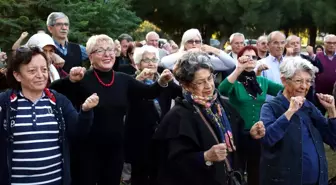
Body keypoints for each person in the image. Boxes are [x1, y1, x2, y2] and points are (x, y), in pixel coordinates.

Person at [49, 34, 173, 185]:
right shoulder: (82, 78)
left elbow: (149, 93)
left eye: (110, 50)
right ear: (90, 56)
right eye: (100, 50)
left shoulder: (123, 79)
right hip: (87, 149)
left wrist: (161, 81)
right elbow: (52, 91)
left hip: (115, 148)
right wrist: (70, 80)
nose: (107, 54)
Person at [151, 51, 265, 185]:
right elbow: (171, 161)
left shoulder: (224, 106)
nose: (208, 85)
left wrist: (250, 135)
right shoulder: (178, 116)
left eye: (210, 78)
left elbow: (238, 141)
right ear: (186, 86)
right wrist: (205, 157)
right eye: (200, 82)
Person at [0, 46, 98, 185]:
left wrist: (86, 111)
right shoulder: (5, 103)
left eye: (44, 69)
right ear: (17, 75)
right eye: (32, 71)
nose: (40, 75)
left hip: (55, 180)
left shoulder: (58, 101)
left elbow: (78, 132)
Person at [260, 56, 336, 185]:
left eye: (308, 81)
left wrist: (332, 111)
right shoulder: (270, 107)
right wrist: (290, 112)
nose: (304, 86)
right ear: (284, 80)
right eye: (299, 81)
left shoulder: (309, 106)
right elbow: (267, 139)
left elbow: (332, 138)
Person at [218, 46, 283, 185]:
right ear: (239, 59)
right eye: (246, 56)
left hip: (258, 132)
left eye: (253, 57)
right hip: (238, 132)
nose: (250, 59)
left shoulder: (261, 81)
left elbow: (283, 90)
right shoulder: (235, 81)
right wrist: (239, 68)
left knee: (256, 168)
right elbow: (221, 90)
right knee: (237, 168)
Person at [124, 45, 182, 185]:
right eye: (146, 60)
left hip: (161, 135)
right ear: (137, 64)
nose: (151, 63)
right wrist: (139, 79)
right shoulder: (130, 80)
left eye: (154, 59)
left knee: (160, 175)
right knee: (140, 176)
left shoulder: (165, 79)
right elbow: (126, 101)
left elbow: (181, 94)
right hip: (139, 137)